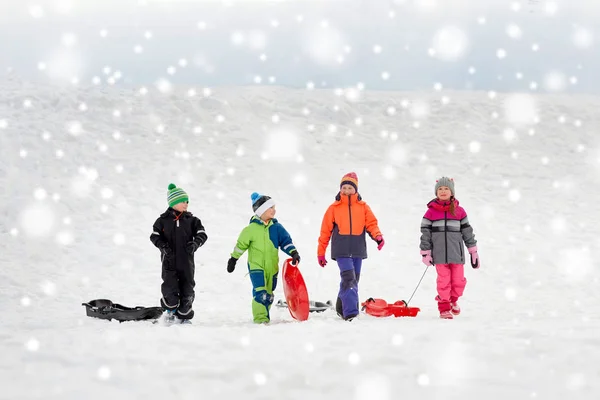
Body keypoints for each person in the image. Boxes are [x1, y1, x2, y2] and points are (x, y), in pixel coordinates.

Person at [317, 172, 384, 321]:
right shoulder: (334, 208)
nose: (347, 191)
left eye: (350, 188)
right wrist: (321, 252)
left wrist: (378, 237)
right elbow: (325, 231)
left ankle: (341, 307)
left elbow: (371, 224)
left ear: (356, 189)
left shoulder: (363, 207)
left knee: (353, 280)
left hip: (358, 249)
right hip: (341, 250)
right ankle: (351, 314)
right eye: (344, 188)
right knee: (349, 279)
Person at [227, 192, 301, 324]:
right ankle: (260, 319)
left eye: (274, 207)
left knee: (269, 294)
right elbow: (240, 245)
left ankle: (265, 316)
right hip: (256, 266)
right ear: (261, 210)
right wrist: (233, 259)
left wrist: (293, 253)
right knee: (260, 292)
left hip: (272, 267)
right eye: (270, 207)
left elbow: (285, 241)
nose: (274, 210)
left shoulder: (277, 228)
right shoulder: (250, 229)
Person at [419, 177, 480, 319]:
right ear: (436, 192)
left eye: (446, 188)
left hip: (456, 254)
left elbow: (467, 232)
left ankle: (453, 300)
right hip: (439, 255)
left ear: (452, 192)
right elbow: (425, 234)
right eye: (440, 189)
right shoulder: (431, 213)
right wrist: (425, 252)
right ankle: (444, 307)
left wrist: (473, 251)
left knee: (458, 281)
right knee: (443, 280)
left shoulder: (459, 212)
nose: (443, 191)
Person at [150, 183, 208, 323]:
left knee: (187, 288)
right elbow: (154, 236)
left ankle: (184, 315)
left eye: (187, 201)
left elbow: (202, 234)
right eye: (183, 201)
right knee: (170, 287)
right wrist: (163, 246)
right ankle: (169, 311)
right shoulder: (162, 221)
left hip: (186, 262)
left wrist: (195, 244)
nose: (186, 204)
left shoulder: (192, 220)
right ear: (173, 202)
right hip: (169, 261)